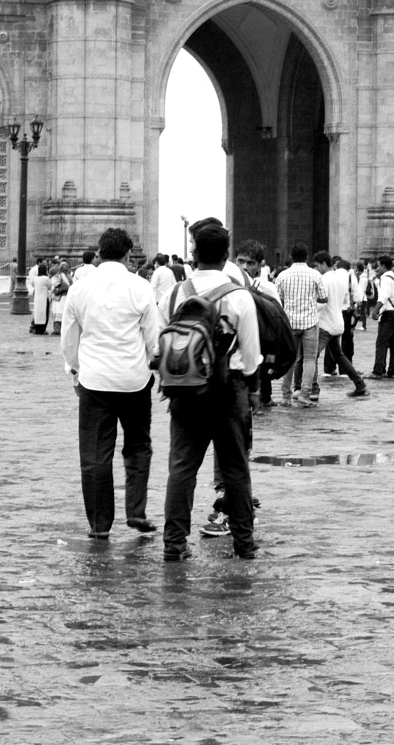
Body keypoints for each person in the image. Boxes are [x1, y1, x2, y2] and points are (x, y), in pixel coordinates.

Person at [160, 221, 260, 562]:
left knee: (182, 470)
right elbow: (251, 356)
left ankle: (174, 544)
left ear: (194, 254)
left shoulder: (174, 294)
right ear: (227, 255)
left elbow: (158, 346)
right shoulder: (239, 296)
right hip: (228, 392)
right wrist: (251, 389)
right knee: (235, 470)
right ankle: (243, 544)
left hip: (184, 393)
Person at [61, 227, 161, 539]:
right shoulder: (140, 287)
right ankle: (136, 510)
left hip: (94, 382)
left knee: (94, 455)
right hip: (134, 380)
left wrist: (76, 371)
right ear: (129, 255)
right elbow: (152, 338)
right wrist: (148, 366)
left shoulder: (79, 289)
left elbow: (68, 340)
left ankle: (100, 524)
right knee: (138, 446)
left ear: (100, 254)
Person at [273, 244, 326, 406]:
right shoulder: (315, 274)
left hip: (290, 323)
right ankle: (304, 394)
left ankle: (285, 396)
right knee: (309, 359)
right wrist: (310, 299)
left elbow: (277, 298)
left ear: (291, 256)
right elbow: (324, 298)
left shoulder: (282, 275)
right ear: (307, 256)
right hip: (310, 322)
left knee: (289, 359)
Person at [318, 254, 369, 397]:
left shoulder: (326, 279)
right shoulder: (348, 278)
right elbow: (357, 297)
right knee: (342, 350)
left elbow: (322, 302)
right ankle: (359, 383)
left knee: (311, 355)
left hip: (327, 320)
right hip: (342, 316)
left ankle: (320, 379)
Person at [371, 256, 394, 379]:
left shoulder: (386, 278)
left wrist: (375, 310)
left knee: (381, 343)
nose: (377, 269)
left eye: (378, 266)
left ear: (383, 266)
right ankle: (392, 370)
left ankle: (378, 371)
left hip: (389, 314)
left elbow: (384, 297)